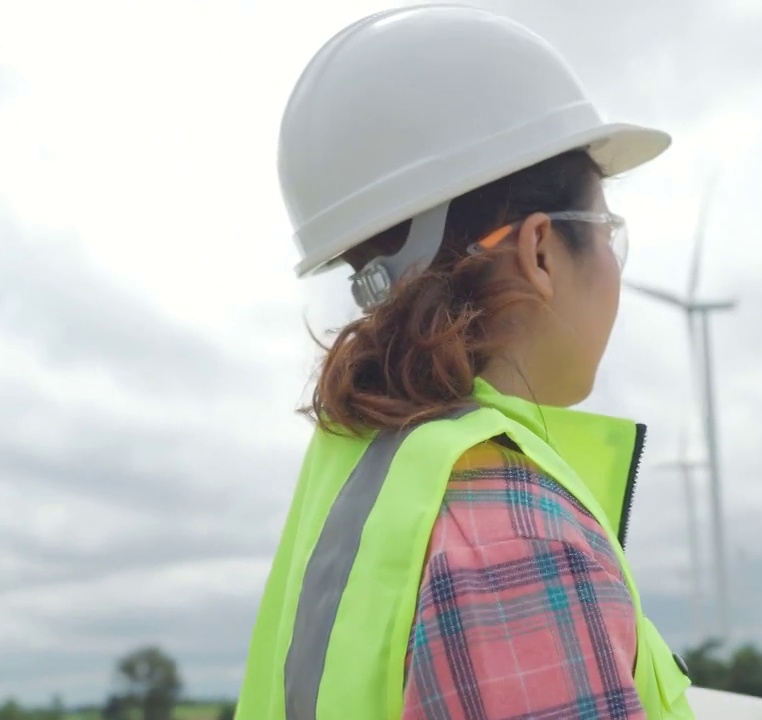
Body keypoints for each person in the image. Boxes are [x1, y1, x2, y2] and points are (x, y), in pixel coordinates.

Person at [236, 5, 696, 720]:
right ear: (540, 250)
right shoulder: (516, 536)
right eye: (608, 229)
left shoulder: (357, 486)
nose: (614, 262)